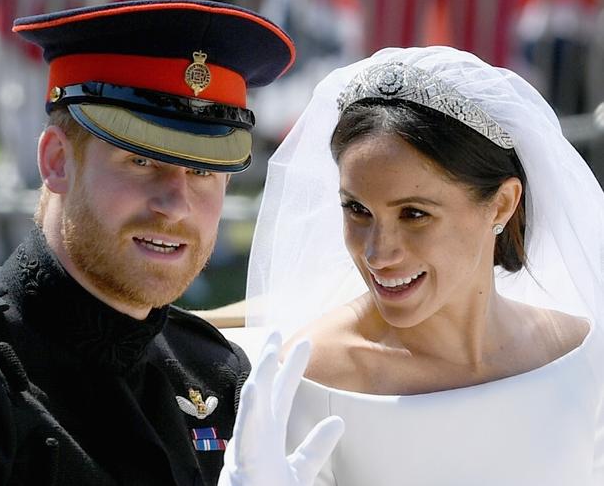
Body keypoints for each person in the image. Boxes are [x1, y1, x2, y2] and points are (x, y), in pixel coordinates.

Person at [0, 1, 343, 485]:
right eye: (141, 162)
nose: (176, 204)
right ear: (56, 160)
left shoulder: (217, 374)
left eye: (202, 170)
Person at [245, 46, 604, 484]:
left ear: (501, 205)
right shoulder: (312, 375)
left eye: (414, 214)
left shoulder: (580, 357)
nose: (378, 253)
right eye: (357, 210)